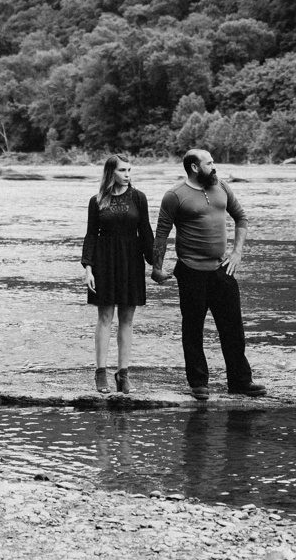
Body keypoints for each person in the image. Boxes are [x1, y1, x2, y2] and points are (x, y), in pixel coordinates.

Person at [150, 147, 267, 398]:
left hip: (221, 268)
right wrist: (157, 268)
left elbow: (242, 218)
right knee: (193, 328)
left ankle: (240, 382)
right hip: (191, 270)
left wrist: (237, 253)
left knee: (233, 328)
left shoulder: (221, 187)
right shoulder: (174, 195)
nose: (214, 167)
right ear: (194, 167)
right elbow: (161, 234)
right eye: (209, 163)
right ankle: (198, 383)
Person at [81, 154, 153, 394]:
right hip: (104, 261)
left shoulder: (139, 198)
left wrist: (156, 265)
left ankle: (123, 374)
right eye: (123, 170)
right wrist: (88, 268)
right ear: (111, 173)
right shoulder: (97, 200)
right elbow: (91, 235)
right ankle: (100, 373)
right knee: (105, 317)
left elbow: (146, 233)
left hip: (131, 261)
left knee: (127, 319)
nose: (127, 174)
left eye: (129, 170)